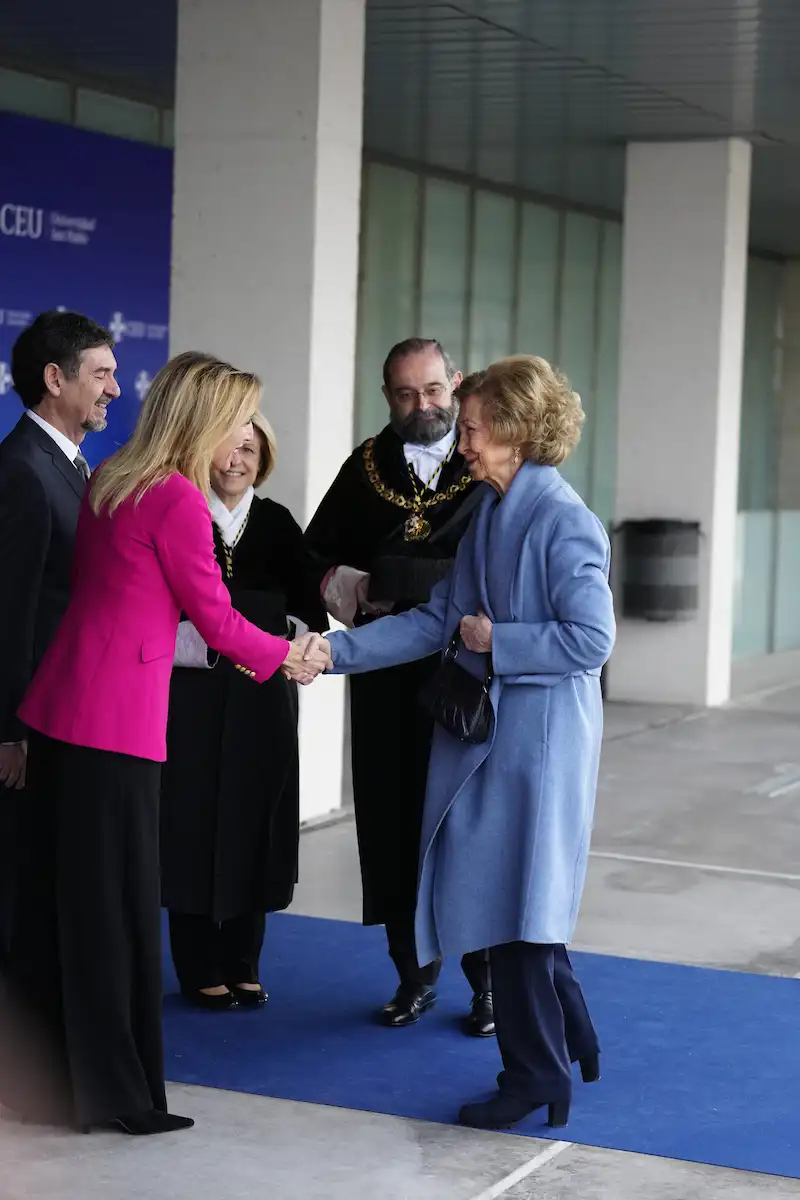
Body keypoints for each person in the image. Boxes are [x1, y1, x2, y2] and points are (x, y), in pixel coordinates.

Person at [0, 351, 329, 1137]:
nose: (247, 433)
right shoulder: (177, 499)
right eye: (240, 417)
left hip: (64, 707)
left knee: (66, 908)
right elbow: (214, 619)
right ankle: (117, 1097)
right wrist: (292, 656)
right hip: (115, 725)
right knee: (114, 917)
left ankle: (48, 1084)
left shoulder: (112, 473)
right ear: (205, 419)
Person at [302, 355, 615, 1131]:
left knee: (518, 910)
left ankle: (534, 1077)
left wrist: (497, 639)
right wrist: (331, 652)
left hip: (539, 751)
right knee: (514, 901)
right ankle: (567, 1037)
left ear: (514, 430)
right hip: (495, 747)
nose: (463, 444)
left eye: (472, 428)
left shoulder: (562, 518)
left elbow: (592, 639)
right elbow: (436, 622)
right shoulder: (492, 509)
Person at [304, 338, 493, 1035]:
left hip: (468, 675)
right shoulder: (365, 469)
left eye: (435, 391)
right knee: (392, 822)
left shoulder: (485, 464)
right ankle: (412, 975)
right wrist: (358, 591)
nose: (424, 407)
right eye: (407, 395)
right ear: (387, 395)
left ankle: (487, 984)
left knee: (470, 828)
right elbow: (317, 554)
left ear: (457, 383)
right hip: (387, 677)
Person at [160, 412, 328, 1011]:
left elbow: (310, 616)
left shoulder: (280, 524)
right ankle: (198, 963)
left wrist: (279, 636)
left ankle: (244, 961)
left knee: (259, 818)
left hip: (263, 698)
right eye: (228, 447)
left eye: (250, 450)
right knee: (190, 822)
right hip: (193, 699)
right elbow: (160, 614)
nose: (237, 459)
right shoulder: (181, 512)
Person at [0, 311, 119, 959]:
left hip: (65, 715)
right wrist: (8, 731)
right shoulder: (21, 468)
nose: (115, 390)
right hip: (31, 726)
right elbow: (8, 610)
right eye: (101, 374)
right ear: (55, 378)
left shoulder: (69, 465)